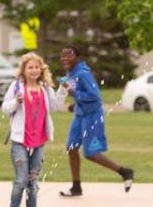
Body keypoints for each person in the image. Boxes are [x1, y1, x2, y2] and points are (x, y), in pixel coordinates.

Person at [56, 45, 133, 197]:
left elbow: (95, 96)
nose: (65, 58)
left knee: (90, 153)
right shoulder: (70, 73)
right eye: (63, 55)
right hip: (80, 115)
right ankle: (76, 187)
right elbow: (81, 95)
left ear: (77, 58)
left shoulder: (83, 74)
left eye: (69, 55)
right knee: (71, 148)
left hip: (92, 116)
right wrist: (75, 104)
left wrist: (73, 92)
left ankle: (124, 171)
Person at [1, 52, 62, 207]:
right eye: (30, 67)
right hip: (20, 141)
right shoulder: (17, 86)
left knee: (33, 183)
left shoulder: (45, 88)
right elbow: (5, 108)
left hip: (39, 142)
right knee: (21, 181)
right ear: (24, 70)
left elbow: (55, 107)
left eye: (37, 67)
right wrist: (15, 102)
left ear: (41, 70)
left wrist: (63, 90)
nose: (34, 70)